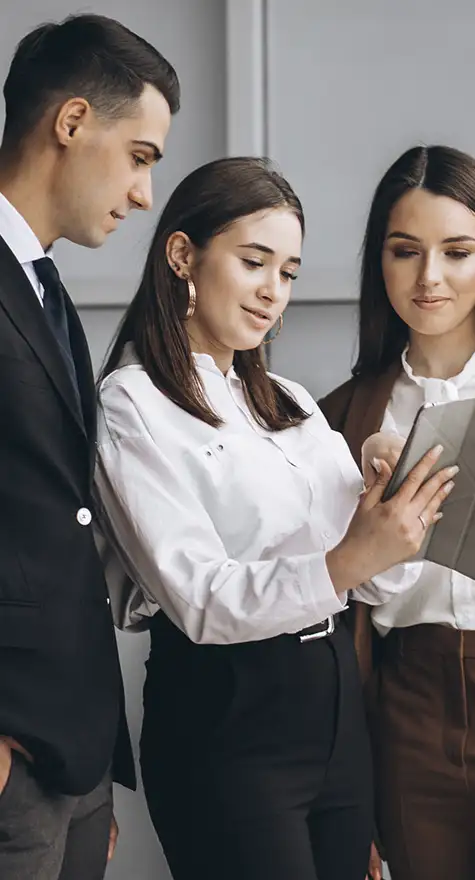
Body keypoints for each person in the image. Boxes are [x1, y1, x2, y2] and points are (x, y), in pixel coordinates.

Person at [95, 155, 456, 880]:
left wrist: (379, 494)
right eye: (254, 262)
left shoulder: (286, 399)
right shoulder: (132, 403)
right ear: (182, 255)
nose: (272, 293)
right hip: (227, 714)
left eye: (288, 273)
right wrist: (352, 556)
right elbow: (198, 599)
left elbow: (367, 573)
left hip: (332, 709)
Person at [0, 13, 179, 880]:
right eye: (141, 155)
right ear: (71, 123)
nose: (145, 193)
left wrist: (90, 770)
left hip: (71, 755)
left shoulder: (44, 286)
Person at [320, 144, 475, 880]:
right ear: (377, 262)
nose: (429, 278)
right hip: (406, 704)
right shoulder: (338, 420)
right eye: (405, 251)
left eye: (457, 251)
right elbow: (334, 600)